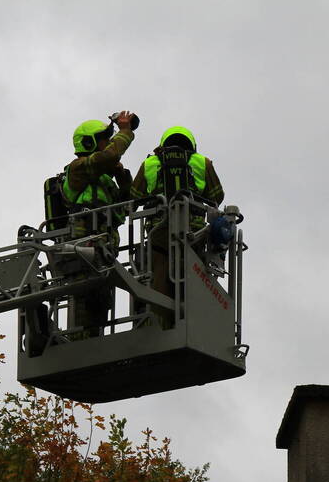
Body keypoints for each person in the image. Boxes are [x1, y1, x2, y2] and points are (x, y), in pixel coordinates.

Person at [130, 126, 224, 328]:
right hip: (194, 231)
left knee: (158, 275)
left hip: (159, 230)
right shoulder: (202, 162)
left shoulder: (149, 163)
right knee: (195, 274)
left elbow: (134, 196)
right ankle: (193, 323)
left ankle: (157, 324)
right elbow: (217, 196)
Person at [62, 111, 136, 339]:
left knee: (100, 304)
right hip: (84, 246)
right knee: (85, 301)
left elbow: (129, 203)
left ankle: (91, 341)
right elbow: (107, 157)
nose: (107, 145)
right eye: (104, 139)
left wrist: (121, 175)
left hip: (104, 249)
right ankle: (79, 346)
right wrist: (125, 131)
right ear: (89, 142)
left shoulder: (105, 180)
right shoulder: (78, 168)